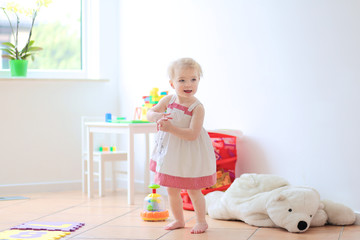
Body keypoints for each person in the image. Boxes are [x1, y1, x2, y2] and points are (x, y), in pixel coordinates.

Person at [147, 58, 216, 234]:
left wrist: (171, 128)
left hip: (189, 152)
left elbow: (193, 134)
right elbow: (150, 112)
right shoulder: (169, 100)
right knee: (171, 188)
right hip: (171, 153)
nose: (188, 84)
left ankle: (201, 221)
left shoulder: (197, 107)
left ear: (199, 80)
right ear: (172, 83)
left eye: (193, 79)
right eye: (182, 80)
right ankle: (178, 219)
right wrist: (157, 117)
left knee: (194, 189)